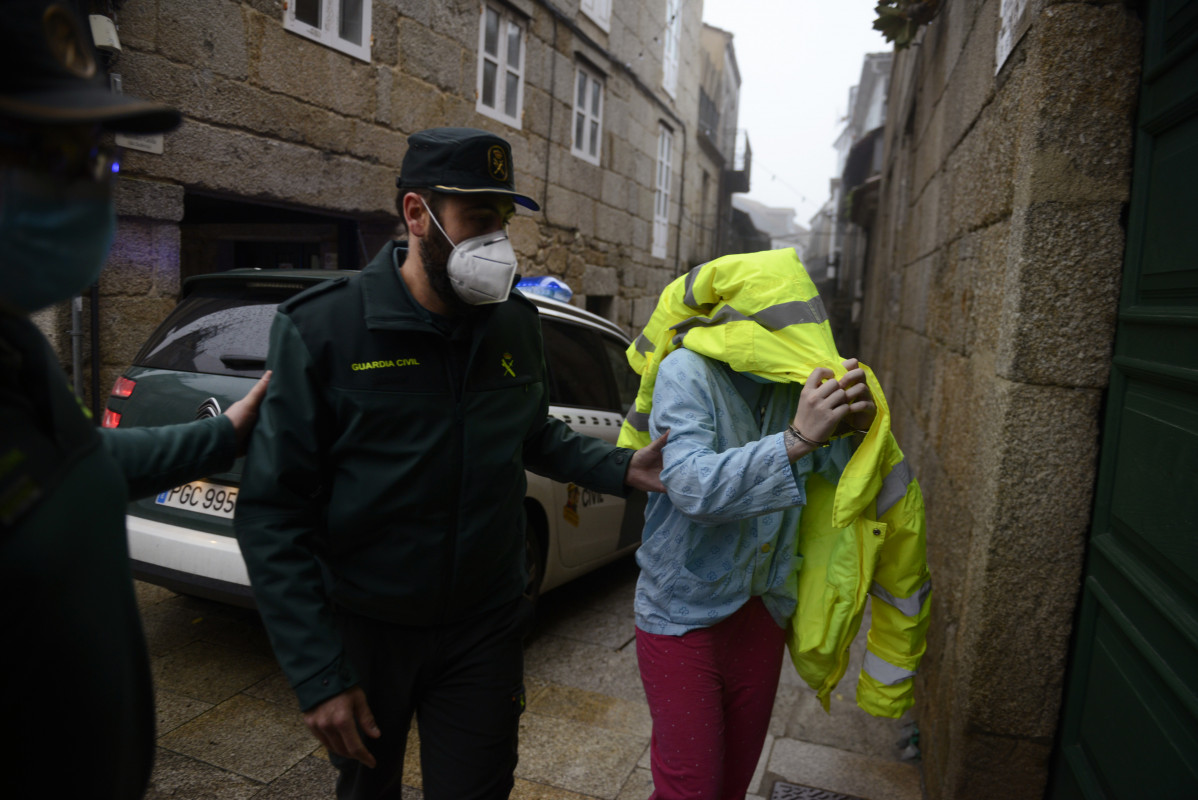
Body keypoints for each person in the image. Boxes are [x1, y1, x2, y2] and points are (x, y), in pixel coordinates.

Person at [234, 126, 666, 800]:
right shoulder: (325, 329)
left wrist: (625, 467)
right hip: (368, 630)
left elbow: (534, 435)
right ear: (416, 214)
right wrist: (318, 672)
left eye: (502, 220)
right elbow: (270, 512)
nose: (497, 240)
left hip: (485, 628)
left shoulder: (515, 326)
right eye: (478, 219)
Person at [0, 3, 271, 798]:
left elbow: (79, 461)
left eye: (97, 157)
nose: (89, 186)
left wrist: (231, 428)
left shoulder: (14, 348)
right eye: (46, 150)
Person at [618, 249, 928, 800]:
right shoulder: (684, 371)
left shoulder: (798, 385)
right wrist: (797, 440)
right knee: (692, 788)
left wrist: (857, 433)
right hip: (678, 616)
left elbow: (851, 494)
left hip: (762, 613)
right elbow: (689, 485)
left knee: (733, 783)